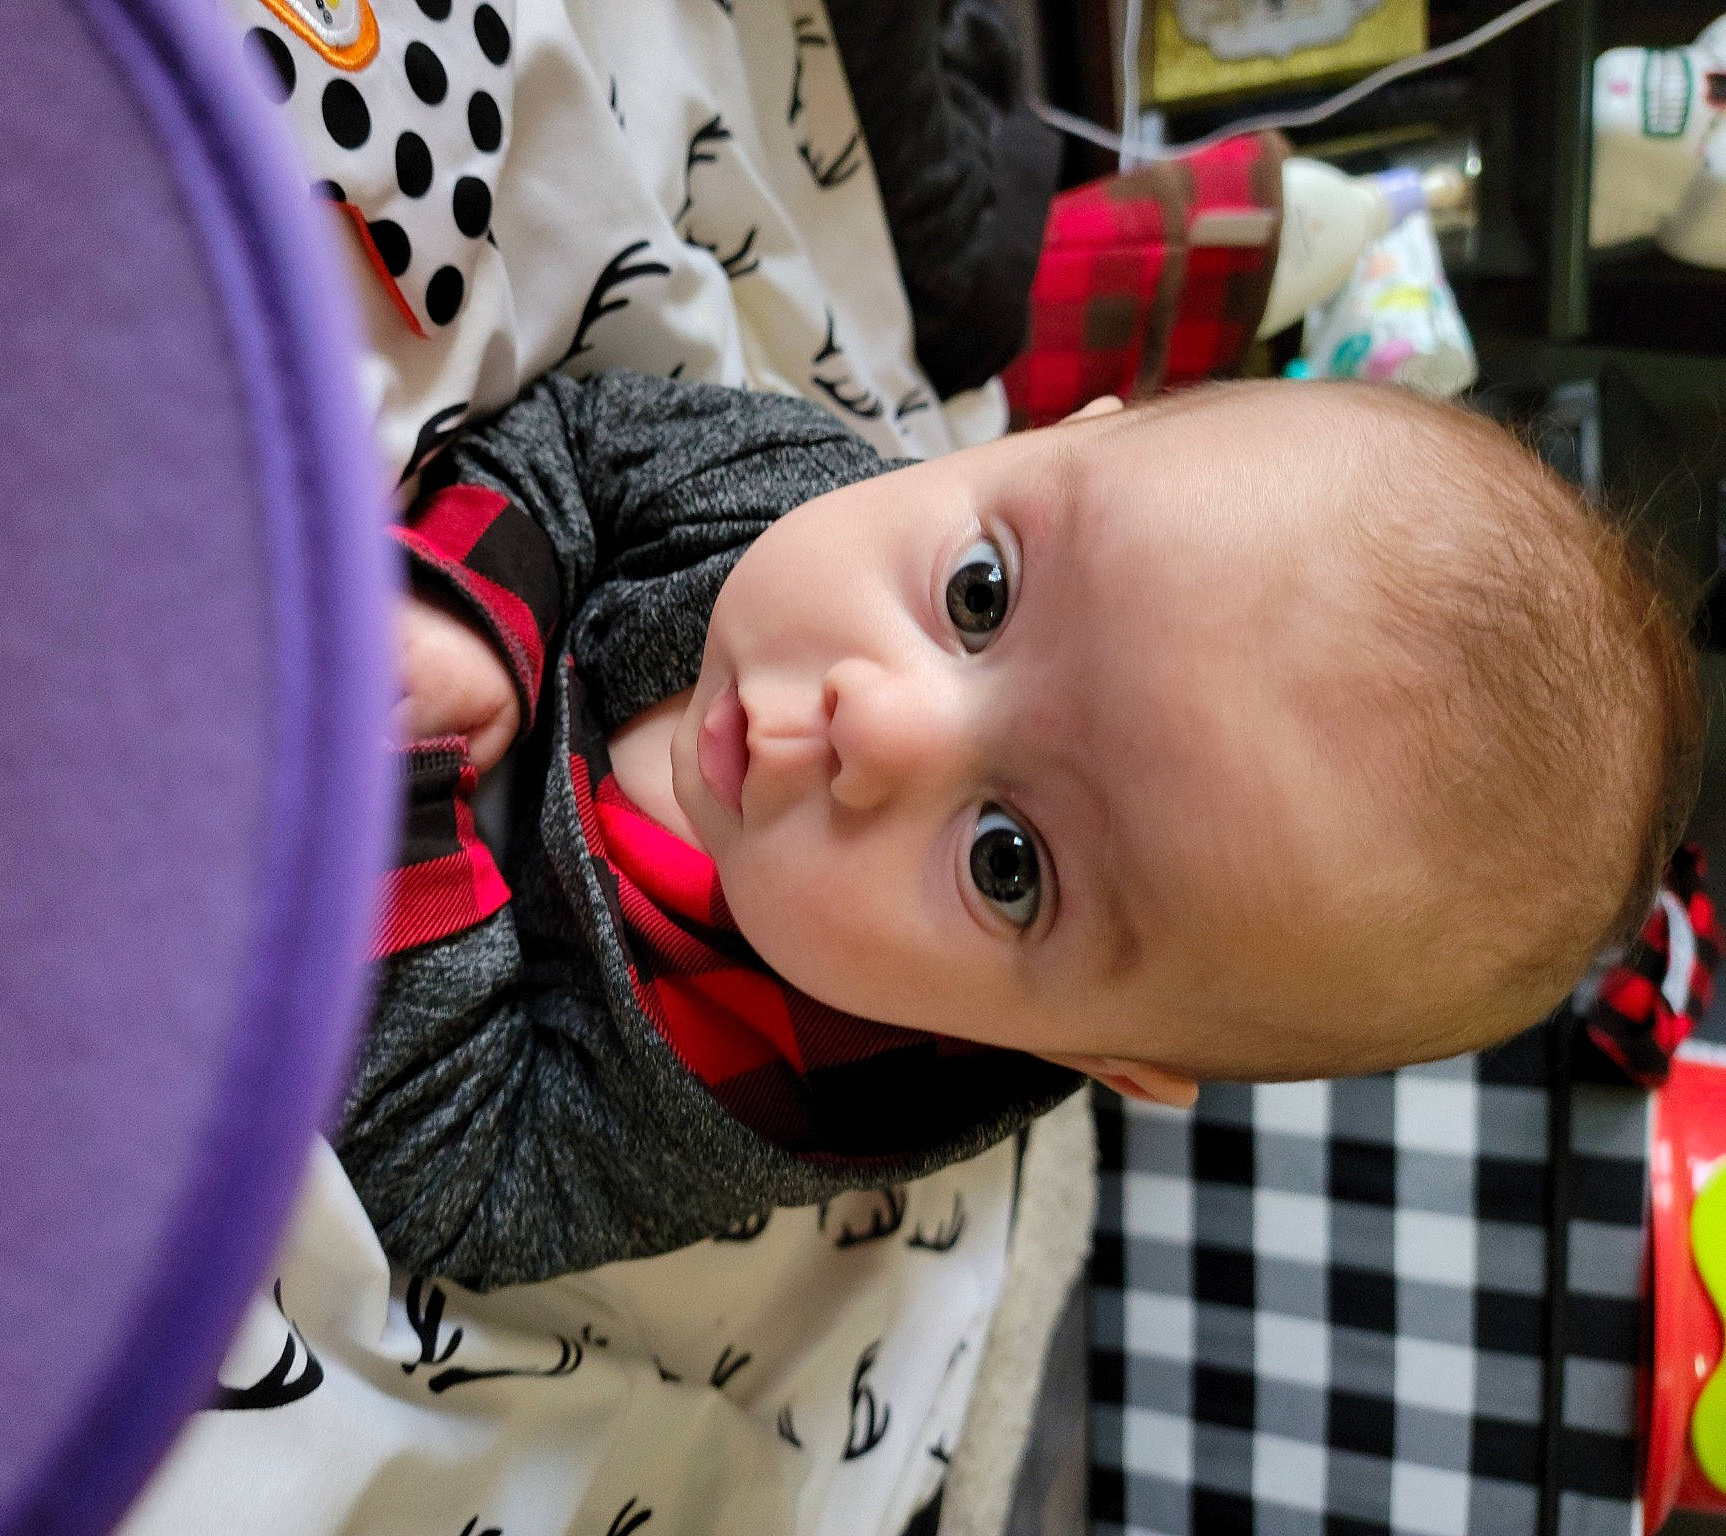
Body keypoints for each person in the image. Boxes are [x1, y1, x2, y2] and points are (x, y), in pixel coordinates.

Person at [359, 366, 1702, 1292]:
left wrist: (406, 803)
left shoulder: (785, 1075)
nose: (874, 728)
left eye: (1010, 866)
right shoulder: (793, 494)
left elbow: (460, 1181)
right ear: (1061, 431)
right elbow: (584, 443)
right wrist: (479, 607)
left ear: (1088, 1049)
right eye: (981, 594)